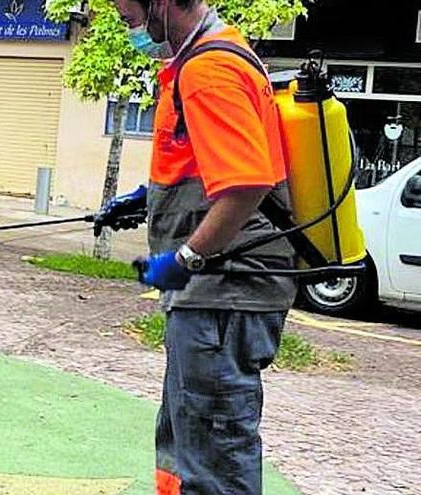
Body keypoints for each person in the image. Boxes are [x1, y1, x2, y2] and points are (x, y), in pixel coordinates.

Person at [98, 1, 298, 494]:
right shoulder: (204, 60)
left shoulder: (209, 71)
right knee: (187, 440)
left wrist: (186, 260)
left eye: (130, 19)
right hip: (215, 296)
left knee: (213, 457)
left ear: (162, 4)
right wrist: (148, 199)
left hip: (223, 294)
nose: (132, 31)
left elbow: (247, 185)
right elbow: (210, 168)